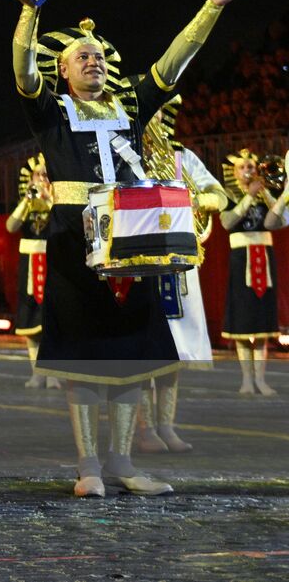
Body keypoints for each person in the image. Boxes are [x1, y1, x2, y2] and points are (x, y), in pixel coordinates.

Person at [6, 0, 258, 497]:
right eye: (82, 57)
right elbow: (24, 74)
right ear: (65, 73)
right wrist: (30, 13)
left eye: (98, 55)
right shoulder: (50, 112)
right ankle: (89, 467)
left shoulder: (131, 108)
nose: (93, 61)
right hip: (74, 243)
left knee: (131, 357)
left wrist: (212, 6)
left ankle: (122, 462)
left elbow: (175, 62)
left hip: (135, 244)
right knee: (83, 359)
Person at [134, 98, 226, 452]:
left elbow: (217, 193)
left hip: (179, 257)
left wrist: (201, 200)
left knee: (175, 347)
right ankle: (143, 429)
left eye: (157, 110)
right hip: (139, 257)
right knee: (143, 349)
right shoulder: (120, 154)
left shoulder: (181, 156)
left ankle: (166, 426)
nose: (152, 117)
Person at [220, 149, 284, 395]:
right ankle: (246, 379)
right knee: (243, 321)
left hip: (265, 258)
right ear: (234, 172)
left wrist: (267, 193)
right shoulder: (229, 194)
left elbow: (277, 221)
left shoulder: (265, 193)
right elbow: (227, 222)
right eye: (243, 167)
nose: (248, 170)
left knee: (262, 321)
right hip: (241, 258)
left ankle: (260, 379)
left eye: (251, 166)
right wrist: (248, 196)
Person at [5, 154, 57, 388]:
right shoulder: (26, 200)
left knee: (52, 319)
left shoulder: (56, 199)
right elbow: (10, 226)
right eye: (38, 174)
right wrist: (27, 201)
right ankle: (37, 373)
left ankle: (54, 374)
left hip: (52, 260)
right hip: (29, 261)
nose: (41, 178)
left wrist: (49, 200)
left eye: (46, 174)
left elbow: (63, 222)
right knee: (30, 319)